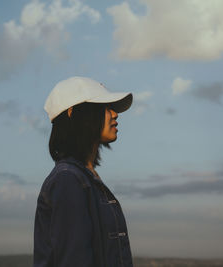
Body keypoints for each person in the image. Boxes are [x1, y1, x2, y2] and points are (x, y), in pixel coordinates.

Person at [33, 76, 134, 267]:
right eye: (104, 108)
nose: (114, 114)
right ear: (73, 113)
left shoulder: (83, 178)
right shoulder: (68, 180)